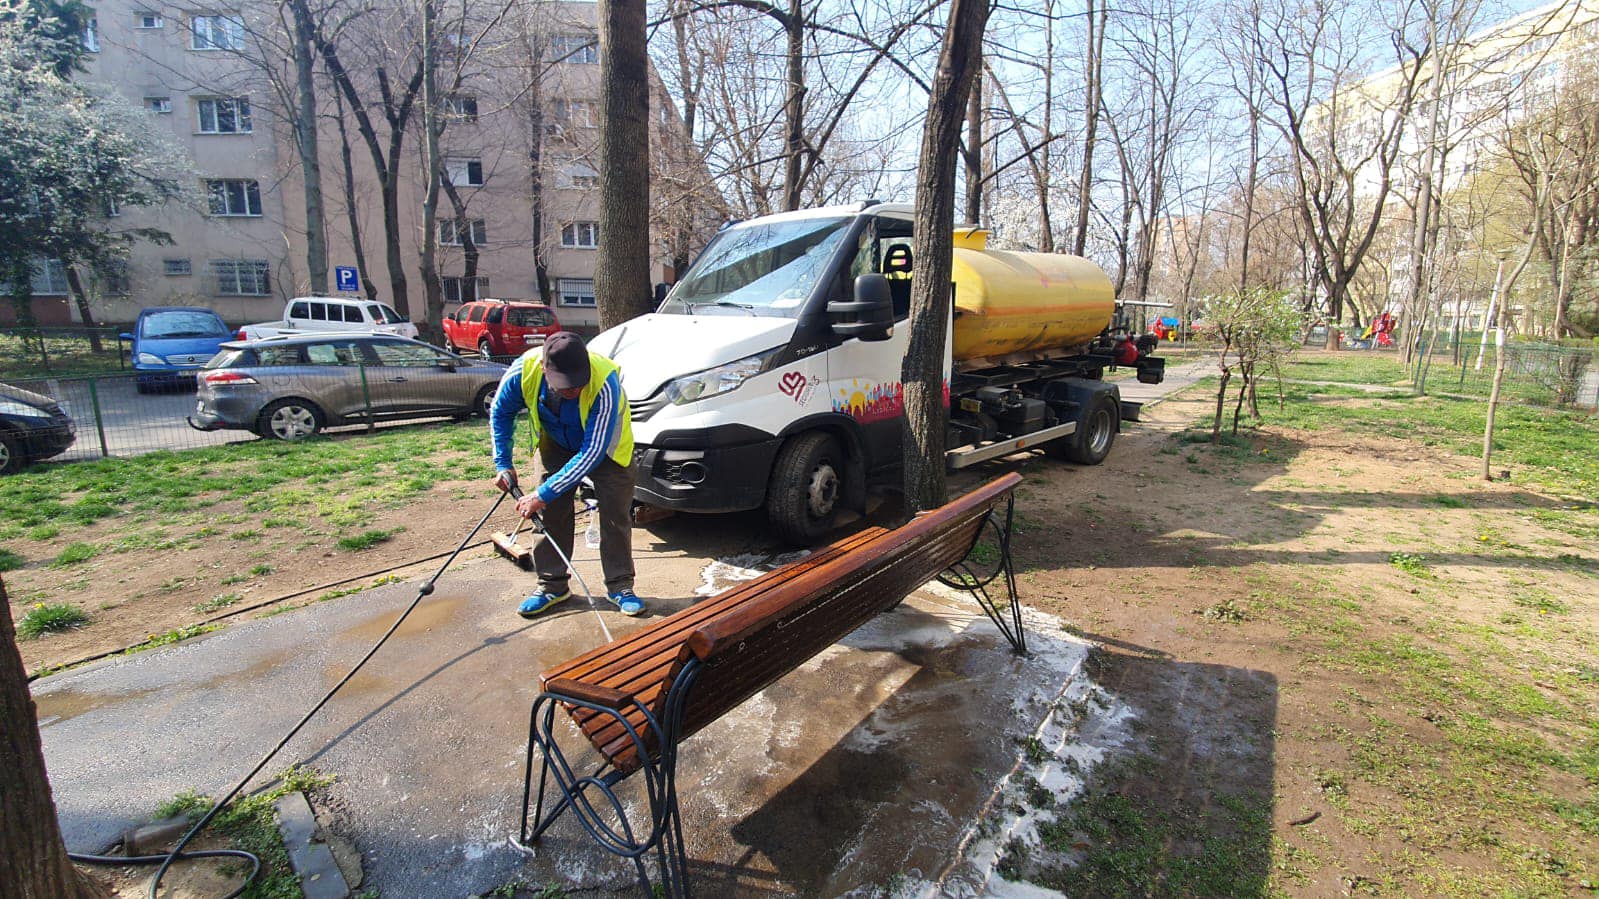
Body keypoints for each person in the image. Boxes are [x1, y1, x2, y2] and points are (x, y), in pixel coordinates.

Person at [489, 331, 645, 618]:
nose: (573, 390)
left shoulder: (605, 382)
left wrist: (541, 493)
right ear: (543, 369)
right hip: (555, 441)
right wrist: (503, 462)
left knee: (615, 516)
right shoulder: (523, 372)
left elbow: (593, 451)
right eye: (564, 385)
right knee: (550, 514)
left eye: (578, 383)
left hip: (607, 450)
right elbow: (501, 412)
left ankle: (620, 586)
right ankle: (552, 586)